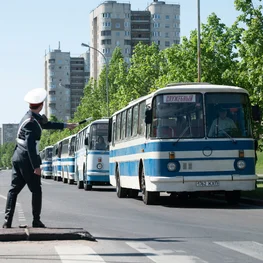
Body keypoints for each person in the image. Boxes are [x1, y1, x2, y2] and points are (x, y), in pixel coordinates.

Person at [2, 88, 78, 228]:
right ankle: (36, 220)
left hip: (17, 157)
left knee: (14, 190)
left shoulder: (29, 117)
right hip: (27, 159)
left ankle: (7, 222)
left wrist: (66, 126)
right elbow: (30, 145)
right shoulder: (32, 122)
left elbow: (47, 124)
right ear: (41, 104)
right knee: (36, 190)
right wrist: (36, 166)